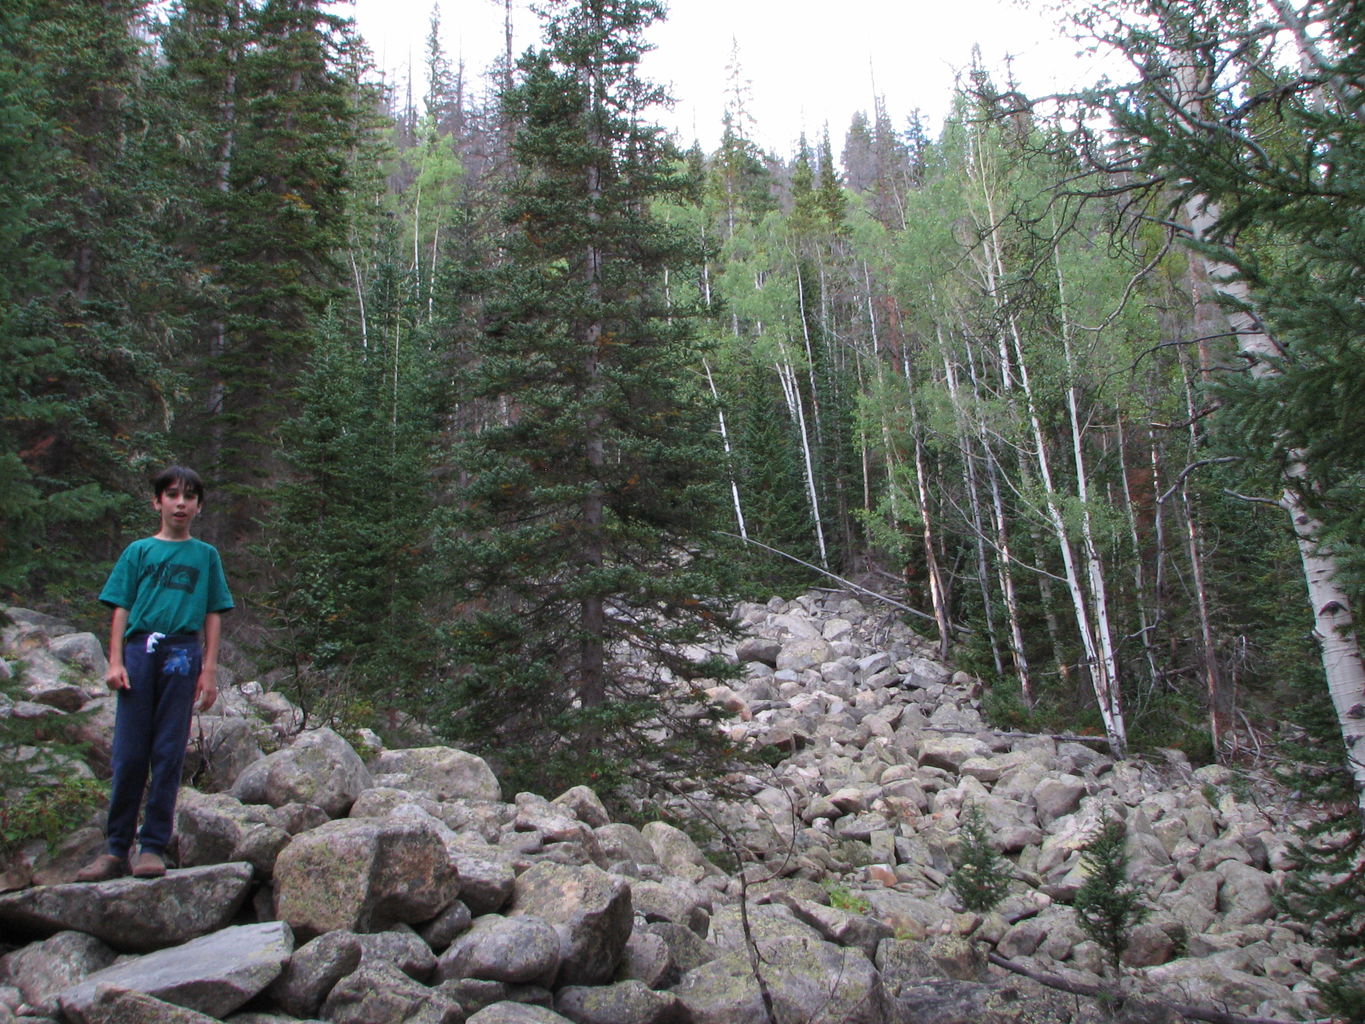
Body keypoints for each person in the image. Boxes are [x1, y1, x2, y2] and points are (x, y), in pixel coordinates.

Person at [76, 466, 234, 881]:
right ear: (157, 501)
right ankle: (115, 849)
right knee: (129, 754)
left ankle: (152, 847)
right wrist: (114, 660)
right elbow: (120, 606)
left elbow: (214, 611)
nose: (180, 503)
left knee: (168, 752)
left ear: (199, 506)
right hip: (140, 649)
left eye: (188, 497)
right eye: (172, 495)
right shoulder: (138, 552)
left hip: (183, 653)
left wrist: (210, 668)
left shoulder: (205, 556)